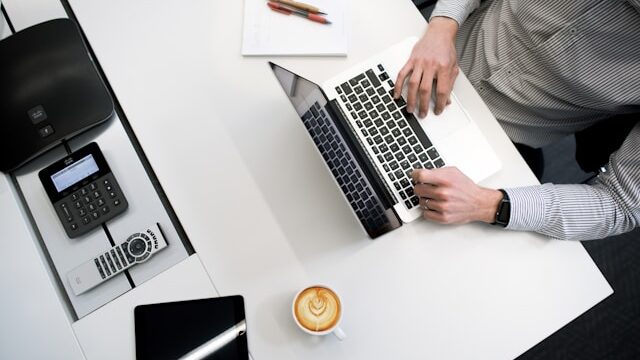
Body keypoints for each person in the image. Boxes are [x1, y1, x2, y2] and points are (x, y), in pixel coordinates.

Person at [396, 0, 640, 240]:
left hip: (493, 144)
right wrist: (443, 25)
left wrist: (485, 204)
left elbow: (621, 203)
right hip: (428, 48)